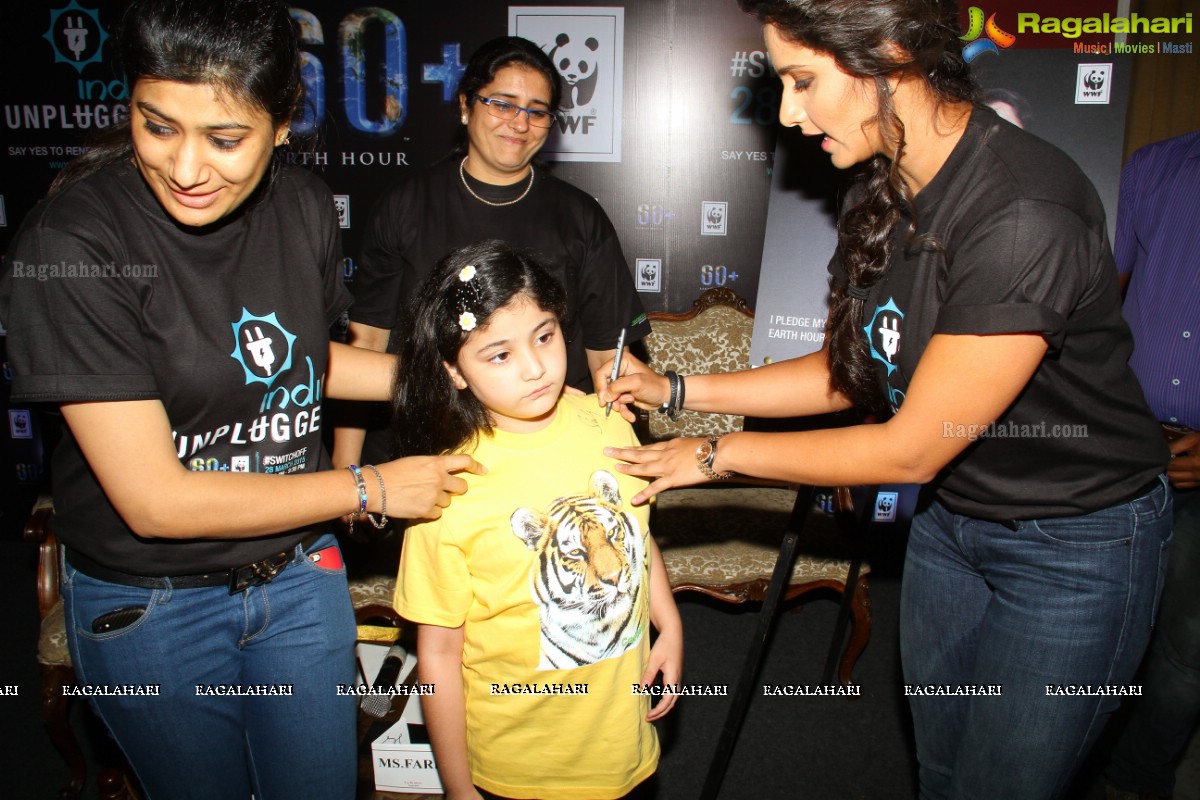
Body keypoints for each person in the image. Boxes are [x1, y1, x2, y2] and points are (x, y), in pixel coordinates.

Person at [598, 1, 1172, 798]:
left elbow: (909, 447)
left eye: (802, 81)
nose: (790, 113)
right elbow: (853, 370)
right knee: (940, 768)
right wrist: (680, 388)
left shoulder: (1020, 211)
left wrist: (709, 455)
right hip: (951, 521)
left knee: (1003, 785)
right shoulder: (886, 184)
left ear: (892, 54)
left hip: (1073, 544)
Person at [0, 1, 480, 797]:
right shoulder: (72, 247)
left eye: (226, 140)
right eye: (157, 127)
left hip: (297, 574)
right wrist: (370, 487)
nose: (187, 169)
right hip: (154, 609)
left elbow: (297, 360)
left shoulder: (299, 206)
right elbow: (155, 501)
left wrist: (447, 378)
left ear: (284, 121)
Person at [391, 240, 682, 800]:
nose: (534, 369)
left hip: (623, 750)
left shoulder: (611, 427)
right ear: (454, 370)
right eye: (499, 354)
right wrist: (458, 788)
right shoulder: (446, 487)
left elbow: (637, 535)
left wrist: (668, 624)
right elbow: (437, 655)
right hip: (516, 768)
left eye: (544, 337)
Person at [335, 35, 649, 468]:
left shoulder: (579, 217)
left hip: (542, 450)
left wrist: (614, 453)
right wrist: (348, 472)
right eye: (502, 103)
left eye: (537, 111)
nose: (520, 123)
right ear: (465, 105)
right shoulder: (406, 205)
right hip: (425, 450)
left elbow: (606, 355)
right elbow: (366, 343)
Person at [1103, 130, 1200, 800]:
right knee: (1097, 621)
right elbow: (1108, 296)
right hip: (1127, 442)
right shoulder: (1158, 165)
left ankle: (1137, 784)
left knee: (1185, 650)